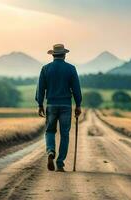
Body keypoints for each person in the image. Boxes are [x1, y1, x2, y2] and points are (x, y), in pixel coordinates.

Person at [35, 44, 82, 172]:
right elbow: (76, 89)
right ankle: (60, 163)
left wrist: (40, 104)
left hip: (51, 104)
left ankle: (51, 151)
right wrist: (78, 104)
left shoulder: (45, 69)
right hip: (66, 105)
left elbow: (40, 89)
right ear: (64, 55)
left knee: (50, 131)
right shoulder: (71, 69)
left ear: (53, 55)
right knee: (65, 134)